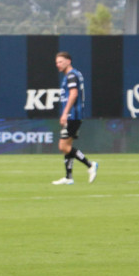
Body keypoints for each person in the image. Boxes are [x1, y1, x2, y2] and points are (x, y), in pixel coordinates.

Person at [52, 51, 98, 185]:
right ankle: (69, 177)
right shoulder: (74, 74)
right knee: (67, 146)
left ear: (68, 61)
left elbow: (74, 94)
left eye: (60, 62)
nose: (58, 65)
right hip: (74, 115)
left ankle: (90, 165)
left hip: (73, 115)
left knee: (63, 146)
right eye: (57, 62)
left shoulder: (71, 75)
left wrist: (65, 113)